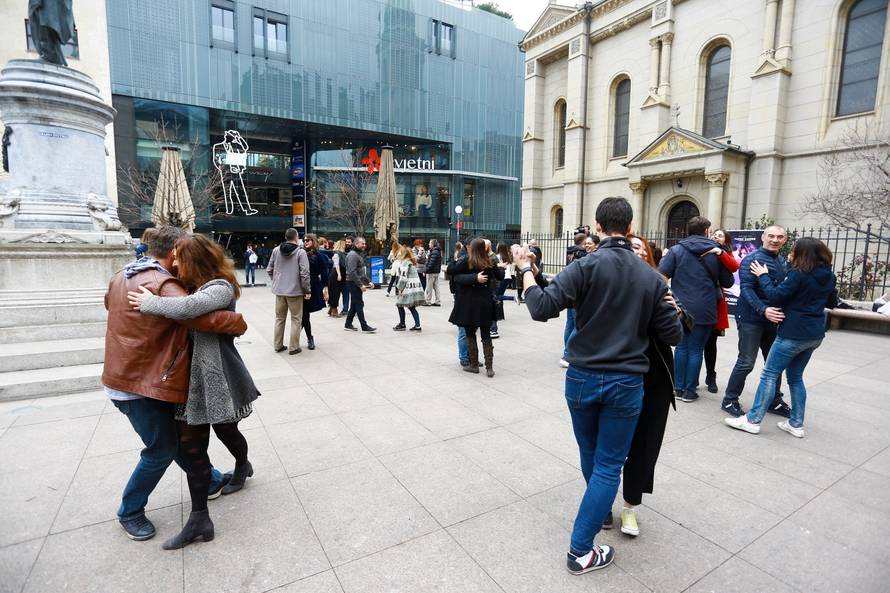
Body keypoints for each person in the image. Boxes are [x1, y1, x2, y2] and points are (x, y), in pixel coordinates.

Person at [514, 197, 683, 574]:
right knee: (608, 464)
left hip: (582, 378)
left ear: (596, 225)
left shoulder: (584, 266)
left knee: (591, 455)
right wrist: (669, 303)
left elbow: (540, 307)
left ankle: (598, 514)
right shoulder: (650, 277)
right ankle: (580, 551)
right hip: (626, 382)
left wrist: (526, 270)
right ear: (631, 224)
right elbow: (673, 335)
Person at [102, 225, 246, 542]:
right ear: (173, 253)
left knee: (186, 440)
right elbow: (193, 314)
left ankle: (210, 480)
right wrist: (236, 322)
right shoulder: (161, 283)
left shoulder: (124, 273)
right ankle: (131, 511)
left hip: (128, 374)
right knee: (162, 449)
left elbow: (109, 304)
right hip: (143, 382)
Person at [608, 234, 682, 536]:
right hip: (617, 373)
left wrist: (675, 311)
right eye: (629, 247)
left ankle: (630, 507)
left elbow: (678, 327)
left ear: (649, 254)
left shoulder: (659, 285)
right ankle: (600, 503)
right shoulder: (608, 285)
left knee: (644, 446)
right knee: (610, 447)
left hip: (653, 378)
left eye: (640, 247)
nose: (635, 251)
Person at [725, 238, 837, 438]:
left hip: (793, 334)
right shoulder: (828, 275)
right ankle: (796, 424)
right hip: (814, 334)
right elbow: (832, 301)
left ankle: (752, 420)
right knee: (795, 377)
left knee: (769, 374)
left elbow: (775, 296)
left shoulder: (798, 274)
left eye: (793, 249)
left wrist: (764, 276)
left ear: (802, 253)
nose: (790, 252)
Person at [658, 216, 734, 403]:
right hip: (706, 307)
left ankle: (677, 387)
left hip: (680, 307)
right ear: (707, 231)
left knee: (681, 347)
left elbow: (661, 276)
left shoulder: (676, 250)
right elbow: (728, 281)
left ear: (687, 230)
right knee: (696, 349)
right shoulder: (716, 252)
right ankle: (690, 391)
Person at [721, 225, 792, 418]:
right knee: (746, 362)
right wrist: (764, 310)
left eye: (779, 237)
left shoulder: (782, 261)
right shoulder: (751, 259)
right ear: (763, 237)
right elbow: (746, 289)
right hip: (751, 319)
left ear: (784, 240)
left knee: (774, 363)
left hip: (773, 319)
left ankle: (774, 401)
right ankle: (729, 400)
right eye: (771, 236)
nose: (775, 240)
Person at [448, 238, 504, 377]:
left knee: (470, 334)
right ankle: (489, 368)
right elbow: (500, 276)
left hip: (469, 303)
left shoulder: (467, 260)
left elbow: (451, 270)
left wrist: (455, 259)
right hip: (485, 302)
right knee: (486, 335)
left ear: (471, 248)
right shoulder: (489, 261)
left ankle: (473, 365)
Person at [703, 229, 739, 393]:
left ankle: (711, 375)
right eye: (714, 234)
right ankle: (691, 377)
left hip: (715, 301)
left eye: (720, 235)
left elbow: (734, 266)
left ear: (725, 241)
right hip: (699, 299)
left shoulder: (723, 253)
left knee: (711, 343)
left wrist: (719, 252)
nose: (715, 236)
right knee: (695, 343)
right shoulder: (702, 249)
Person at [267, 228, 311, 355]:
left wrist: (276, 281)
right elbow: (305, 273)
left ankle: (278, 345)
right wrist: (307, 289)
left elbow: (269, 269)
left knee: (279, 319)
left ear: (286, 237)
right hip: (295, 291)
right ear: (296, 237)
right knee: (296, 319)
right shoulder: (300, 252)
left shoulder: (276, 250)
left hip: (279, 291)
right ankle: (294, 347)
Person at [561, 232, 590, 368]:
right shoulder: (581, 254)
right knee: (577, 325)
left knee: (570, 324)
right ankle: (567, 354)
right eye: (587, 243)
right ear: (583, 243)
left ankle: (567, 350)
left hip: (570, 292)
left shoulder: (570, 252)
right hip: (578, 294)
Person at [301, 234, 330, 350]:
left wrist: (326, 290)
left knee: (305, 314)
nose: (305, 242)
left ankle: (309, 338)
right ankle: (308, 337)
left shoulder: (320, 256)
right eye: (304, 240)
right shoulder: (300, 253)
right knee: (303, 314)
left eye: (308, 240)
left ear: (313, 241)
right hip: (301, 286)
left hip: (313, 286)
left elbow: (324, 274)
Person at [344, 236, 376, 332]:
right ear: (356, 244)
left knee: (354, 304)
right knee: (359, 303)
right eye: (362, 244)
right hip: (353, 283)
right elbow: (352, 272)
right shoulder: (353, 255)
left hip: (355, 282)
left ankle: (348, 324)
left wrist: (368, 281)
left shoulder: (357, 254)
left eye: (365, 244)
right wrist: (360, 285)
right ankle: (364, 326)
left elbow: (361, 272)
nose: (364, 245)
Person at [393, 244, 425, 331]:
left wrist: (399, 288)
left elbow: (403, 278)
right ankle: (417, 326)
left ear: (403, 253)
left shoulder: (405, 263)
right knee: (411, 307)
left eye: (400, 252)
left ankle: (402, 324)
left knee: (400, 305)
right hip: (414, 288)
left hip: (407, 289)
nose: (398, 253)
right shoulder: (411, 262)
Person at [328, 239, 348, 317]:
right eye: (344, 244)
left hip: (341, 275)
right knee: (335, 293)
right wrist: (339, 275)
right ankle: (334, 311)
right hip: (336, 275)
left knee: (337, 292)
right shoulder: (337, 254)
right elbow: (336, 265)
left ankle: (331, 310)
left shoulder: (343, 254)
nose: (345, 245)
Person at [424, 238, 443, 306]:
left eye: (430, 243)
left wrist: (425, 271)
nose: (429, 244)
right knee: (436, 287)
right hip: (436, 272)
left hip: (431, 272)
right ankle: (437, 301)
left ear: (432, 244)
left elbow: (431, 263)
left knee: (429, 287)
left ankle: (428, 301)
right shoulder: (438, 251)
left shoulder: (434, 252)